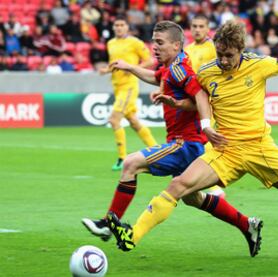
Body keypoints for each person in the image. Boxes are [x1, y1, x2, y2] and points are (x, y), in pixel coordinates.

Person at [108, 21, 278, 264]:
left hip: (261, 148)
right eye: (220, 54)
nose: (224, 61)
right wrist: (176, 102)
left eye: (229, 55)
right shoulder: (206, 72)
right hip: (225, 150)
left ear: (241, 50)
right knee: (179, 185)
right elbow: (196, 101)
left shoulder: (259, 64)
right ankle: (133, 236)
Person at [82, 20, 263, 258]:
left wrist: (184, 109)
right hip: (190, 144)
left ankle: (108, 223)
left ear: (176, 45)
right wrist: (130, 67)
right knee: (193, 198)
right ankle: (246, 224)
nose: (154, 47)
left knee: (131, 163)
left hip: (184, 144)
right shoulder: (170, 67)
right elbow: (156, 77)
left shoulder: (180, 68)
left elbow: (200, 94)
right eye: (153, 42)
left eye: (160, 43)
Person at [99, 16, 158, 171]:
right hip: (117, 86)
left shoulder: (135, 42)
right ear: (113, 27)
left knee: (114, 119)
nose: (119, 27)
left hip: (129, 86)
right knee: (133, 121)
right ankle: (157, 150)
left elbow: (150, 61)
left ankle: (122, 157)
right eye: (116, 25)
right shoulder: (110, 43)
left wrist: (131, 68)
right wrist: (106, 70)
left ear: (127, 27)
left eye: (122, 25)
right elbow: (115, 64)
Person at [184, 13, 225, 198]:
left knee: (206, 140)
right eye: (194, 26)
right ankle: (194, 180)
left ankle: (215, 186)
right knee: (194, 142)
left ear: (208, 28)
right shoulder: (187, 49)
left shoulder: (214, 48)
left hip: (209, 101)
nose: (197, 30)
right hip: (190, 102)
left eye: (201, 26)